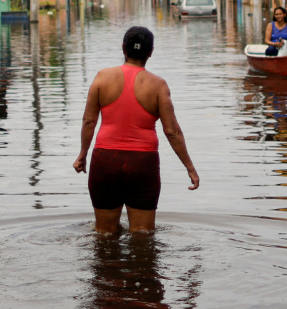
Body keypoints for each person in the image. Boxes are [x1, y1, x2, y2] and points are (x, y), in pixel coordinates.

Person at [72, 26, 200, 234]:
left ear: (123, 48)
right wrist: (190, 168)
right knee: (143, 234)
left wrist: (82, 155)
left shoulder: (102, 77)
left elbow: (88, 121)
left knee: (104, 233)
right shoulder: (158, 85)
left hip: (106, 160)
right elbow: (172, 131)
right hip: (142, 164)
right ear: (151, 52)